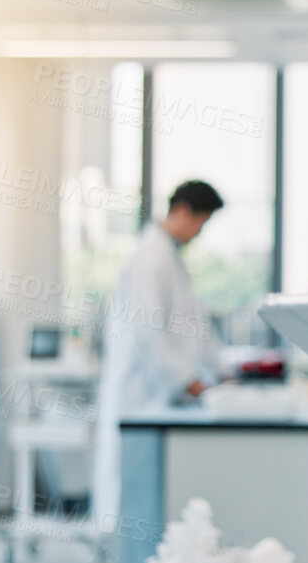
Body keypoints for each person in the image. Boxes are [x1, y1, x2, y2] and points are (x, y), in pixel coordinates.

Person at [93, 180, 225, 535]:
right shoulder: (150, 259)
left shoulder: (168, 258)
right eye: (201, 222)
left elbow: (195, 325)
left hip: (160, 395)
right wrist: (188, 380)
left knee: (156, 504)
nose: (200, 233)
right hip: (141, 394)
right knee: (135, 496)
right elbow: (148, 333)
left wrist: (222, 371)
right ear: (182, 211)